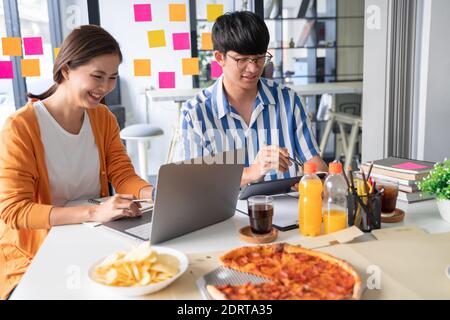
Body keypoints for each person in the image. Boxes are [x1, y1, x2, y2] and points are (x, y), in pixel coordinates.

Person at [0, 25, 154, 300]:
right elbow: (14, 211)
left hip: (94, 237)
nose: (105, 87)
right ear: (67, 70)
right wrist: (94, 213)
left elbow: (122, 173)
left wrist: (151, 192)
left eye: (112, 77)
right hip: (34, 253)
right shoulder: (20, 128)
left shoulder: (103, 118)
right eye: (97, 76)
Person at [181, 11, 328, 186]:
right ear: (220, 58)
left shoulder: (288, 100)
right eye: (242, 60)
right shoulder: (195, 113)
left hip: (284, 209)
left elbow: (315, 163)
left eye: (259, 58)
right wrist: (252, 172)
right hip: (224, 212)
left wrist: (316, 182)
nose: (253, 68)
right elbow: (193, 183)